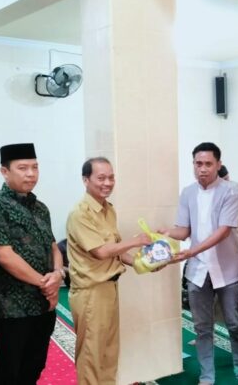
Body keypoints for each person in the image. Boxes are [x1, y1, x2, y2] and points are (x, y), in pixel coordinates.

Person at [163, 142, 238, 385]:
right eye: (198, 163)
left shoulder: (231, 191)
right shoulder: (188, 193)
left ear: (218, 165)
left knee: (234, 325)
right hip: (198, 272)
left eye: (208, 164)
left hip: (228, 271)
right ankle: (207, 377)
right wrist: (163, 232)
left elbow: (223, 231)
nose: (202, 169)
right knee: (202, 327)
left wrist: (192, 251)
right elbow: (184, 230)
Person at [0, 143, 63, 385]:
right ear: (4, 172)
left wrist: (58, 274)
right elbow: (4, 256)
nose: (31, 174)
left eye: (35, 167)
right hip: (13, 307)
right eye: (23, 168)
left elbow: (53, 247)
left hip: (44, 304)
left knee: (34, 367)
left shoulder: (41, 208)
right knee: (8, 372)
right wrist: (46, 283)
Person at [66, 157, 152, 384]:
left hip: (109, 288)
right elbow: (101, 252)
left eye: (111, 177)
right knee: (91, 355)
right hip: (90, 292)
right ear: (86, 180)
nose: (107, 183)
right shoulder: (80, 213)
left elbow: (116, 250)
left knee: (108, 351)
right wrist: (136, 241)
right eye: (101, 178)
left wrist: (145, 263)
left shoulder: (108, 210)